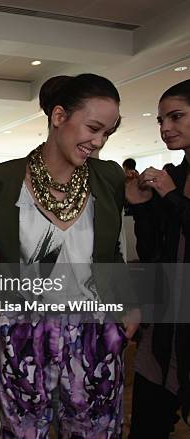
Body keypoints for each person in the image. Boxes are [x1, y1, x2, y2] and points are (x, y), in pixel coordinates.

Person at [0, 73, 139, 438]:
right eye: (93, 128)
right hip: (24, 325)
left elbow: (112, 251)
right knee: (23, 430)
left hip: (97, 323)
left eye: (107, 133)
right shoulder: (1, 178)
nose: (98, 142)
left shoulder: (108, 176)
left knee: (94, 430)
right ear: (59, 116)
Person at [125, 78, 190, 438]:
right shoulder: (173, 176)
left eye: (176, 117)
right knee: (147, 426)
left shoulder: (171, 185)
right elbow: (152, 252)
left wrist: (170, 198)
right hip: (164, 324)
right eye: (161, 120)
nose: (165, 128)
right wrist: (143, 206)